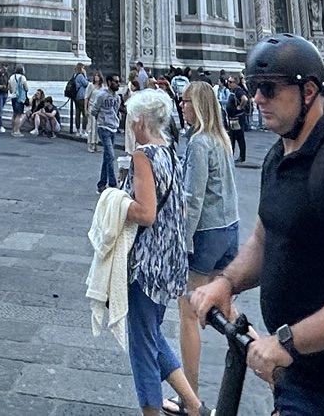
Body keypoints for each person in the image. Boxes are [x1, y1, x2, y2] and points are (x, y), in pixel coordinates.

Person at [191, 35, 324, 416]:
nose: (257, 98)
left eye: (268, 88)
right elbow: (263, 240)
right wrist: (226, 283)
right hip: (294, 380)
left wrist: (286, 341)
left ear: (308, 91)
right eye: (254, 87)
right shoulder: (277, 158)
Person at [118, 88, 203, 416]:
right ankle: (194, 406)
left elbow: (146, 213)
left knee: (141, 347)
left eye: (131, 118)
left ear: (140, 121)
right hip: (170, 259)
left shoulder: (143, 155)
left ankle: (151, 412)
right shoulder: (169, 150)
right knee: (150, 333)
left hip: (146, 263)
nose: (129, 124)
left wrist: (114, 203)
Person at [175, 81, 238, 410]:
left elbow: (193, 198)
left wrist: (182, 241)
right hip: (229, 229)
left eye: (185, 101)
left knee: (188, 311)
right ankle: (268, 363)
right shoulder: (221, 139)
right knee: (226, 309)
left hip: (206, 234)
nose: (181, 106)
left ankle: (190, 399)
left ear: (197, 105)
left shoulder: (199, 142)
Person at [94, 76, 126, 192]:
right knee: (111, 155)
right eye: (116, 82)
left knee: (107, 156)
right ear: (109, 82)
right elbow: (94, 110)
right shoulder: (102, 95)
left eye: (118, 82)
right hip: (103, 128)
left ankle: (101, 184)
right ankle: (112, 184)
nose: (118, 84)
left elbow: (116, 111)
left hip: (113, 128)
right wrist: (101, 120)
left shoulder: (117, 97)